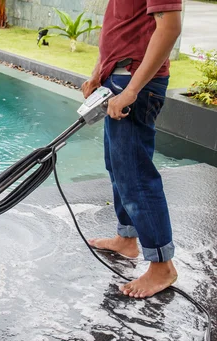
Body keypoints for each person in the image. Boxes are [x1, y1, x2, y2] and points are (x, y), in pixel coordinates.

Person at [81, 0, 183, 299]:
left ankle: (163, 267)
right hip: (117, 80)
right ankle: (127, 239)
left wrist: (131, 90)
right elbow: (123, 30)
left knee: (136, 177)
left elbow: (169, 28)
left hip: (136, 84)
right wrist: (98, 73)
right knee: (119, 168)